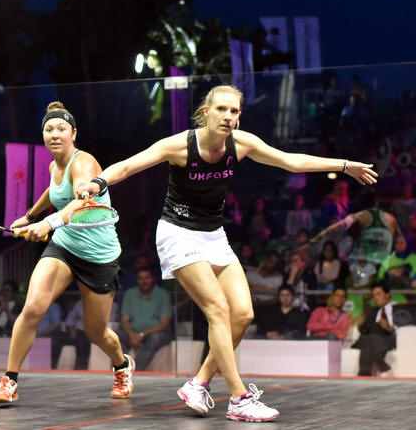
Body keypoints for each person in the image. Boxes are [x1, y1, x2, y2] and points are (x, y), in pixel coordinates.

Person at [78, 84, 376, 422]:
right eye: (221, 109)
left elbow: (290, 161)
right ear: (206, 112)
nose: (228, 117)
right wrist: (97, 184)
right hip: (178, 233)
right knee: (218, 310)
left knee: (243, 315)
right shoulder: (180, 145)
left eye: (234, 111)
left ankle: (199, 383)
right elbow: (128, 166)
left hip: (213, 235)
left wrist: (344, 165)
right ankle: (238, 398)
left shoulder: (242, 144)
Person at [0, 101, 134, 405]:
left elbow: (81, 200)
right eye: (49, 129)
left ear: (73, 133)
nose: (54, 134)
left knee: (96, 332)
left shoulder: (84, 164)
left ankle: (122, 365)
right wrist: (30, 215)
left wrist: (48, 223)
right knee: (32, 308)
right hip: (65, 246)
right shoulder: (55, 165)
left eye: (61, 129)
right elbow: (53, 192)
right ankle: (9, 381)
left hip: (98, 256)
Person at [118, 268, 172, 371]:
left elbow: (164, 324)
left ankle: (136, 370)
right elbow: (125, 320)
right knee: (116, 335)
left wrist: (142, 334)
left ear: (153, 279)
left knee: (155, 338)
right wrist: (132, 335)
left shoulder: (163, 294)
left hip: (155, 333)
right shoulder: (130, 293)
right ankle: (126, 365)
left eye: (147, 278)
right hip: (133, 333)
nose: (144, 281)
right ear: (137, 280)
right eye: (141, 278)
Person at [51, 298, 120, 370]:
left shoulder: (111, 304)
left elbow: (108, 323)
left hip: (98, 332)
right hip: (80, 331)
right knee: (58, 339)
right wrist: (72, 331)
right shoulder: (80, 303)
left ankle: (82, 367)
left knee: (85, 340)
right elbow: (70, 320)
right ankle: (53, 365)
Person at [352, 282, 397, 376]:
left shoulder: (397, 309)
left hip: (389, 339)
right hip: (372, 340)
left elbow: (401, 329)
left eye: (378, 294)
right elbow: (364, 329)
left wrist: (389, 328)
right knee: (369, 339)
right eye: (374, 295)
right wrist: (361, 321)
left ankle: (363, 375)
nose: (375, 298)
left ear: (387, 294)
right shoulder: (372, 311)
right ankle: (381, 365)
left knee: (369, 341)